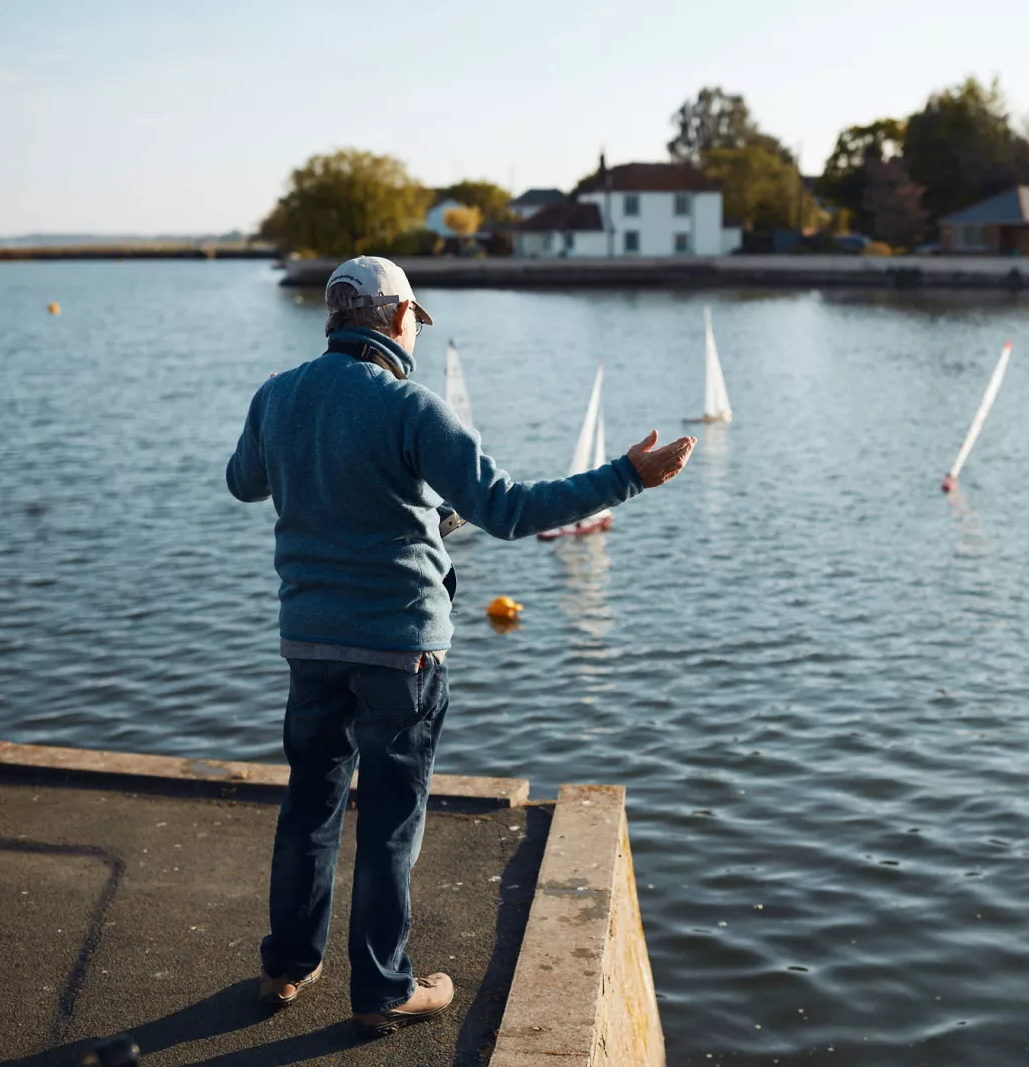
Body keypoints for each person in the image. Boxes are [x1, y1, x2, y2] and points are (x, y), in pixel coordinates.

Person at [225, 256, 695, 1038]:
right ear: (394, 317)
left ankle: (288, 963)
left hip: (309, 641)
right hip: (399, 651)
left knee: (310, 803)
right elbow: (509, 511)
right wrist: (628, 477)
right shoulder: (414, 409)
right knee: (388, 820)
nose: (417, 330)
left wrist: (267, 412)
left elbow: (245, 481)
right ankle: (381, 988)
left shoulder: (278, 395)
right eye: (415, 318)